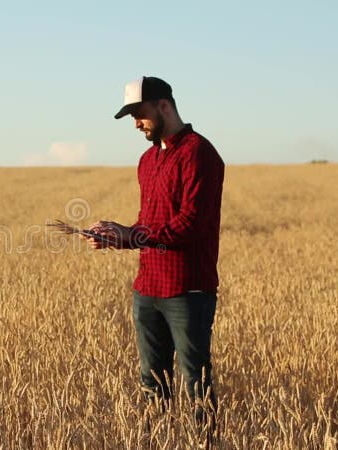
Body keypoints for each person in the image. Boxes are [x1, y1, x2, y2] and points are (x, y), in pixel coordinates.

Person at [83, 76, 225, 426]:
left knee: (196, 383)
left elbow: (189, 224)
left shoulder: (199, 153)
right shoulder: (147, 160)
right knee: (151, 383)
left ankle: (204, 441)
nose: (135, 123)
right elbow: (149, 222)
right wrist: (117, 236)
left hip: (187, 289)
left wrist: (131, 236)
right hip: (147, 288)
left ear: (164, 106)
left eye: (140, 113)